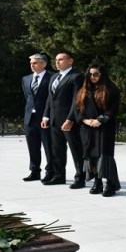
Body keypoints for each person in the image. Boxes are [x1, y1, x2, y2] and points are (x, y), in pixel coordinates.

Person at [71, 63, 122, 196]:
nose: (92, 77)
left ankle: (110, 184)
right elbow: (77, 108)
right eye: (90, 74)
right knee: (91, 155)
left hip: (104, 128)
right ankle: (97, 182)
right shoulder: (83, 90)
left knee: (105, 156)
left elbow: (113, 108)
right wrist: (85, 120)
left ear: (102, 75)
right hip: (87, 128)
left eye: (96, 74)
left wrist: (100, 120)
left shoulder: (111, 88)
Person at [41, 52, 85, 187]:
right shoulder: (54, 77)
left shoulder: (76, 77)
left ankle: (80, 178)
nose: (57, 62)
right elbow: (49, 98)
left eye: (60, 59)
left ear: (70, 61)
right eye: (56, 60)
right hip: (54, 120)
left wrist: (70, 119)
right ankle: (59, 176)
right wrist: (46, 116)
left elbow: (76, 100)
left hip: (69, 121)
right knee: (57, 150)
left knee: (76, 150)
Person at [22, 53, 53, 181]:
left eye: (35, 63)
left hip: (46, 118)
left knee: (49, 147)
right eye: (31, 63)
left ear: (44, 64)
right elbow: (28, 97)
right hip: (30, 118)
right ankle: (34, 171)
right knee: (33, 147)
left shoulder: (52, 77)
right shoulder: (26, 79)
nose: (32, 65)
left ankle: (50, 172)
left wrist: (47, 116)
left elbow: (52, 99)